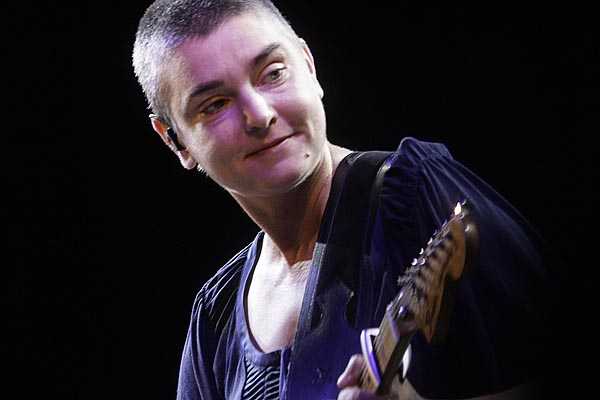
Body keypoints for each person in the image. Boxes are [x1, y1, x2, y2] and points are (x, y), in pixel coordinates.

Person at [132, 1, 553, 399]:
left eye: (273, 73)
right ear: (175, 141)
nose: (259, 115)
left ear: (309, 67)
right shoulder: (216, 317)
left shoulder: (412, 197)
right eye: (216, 104)